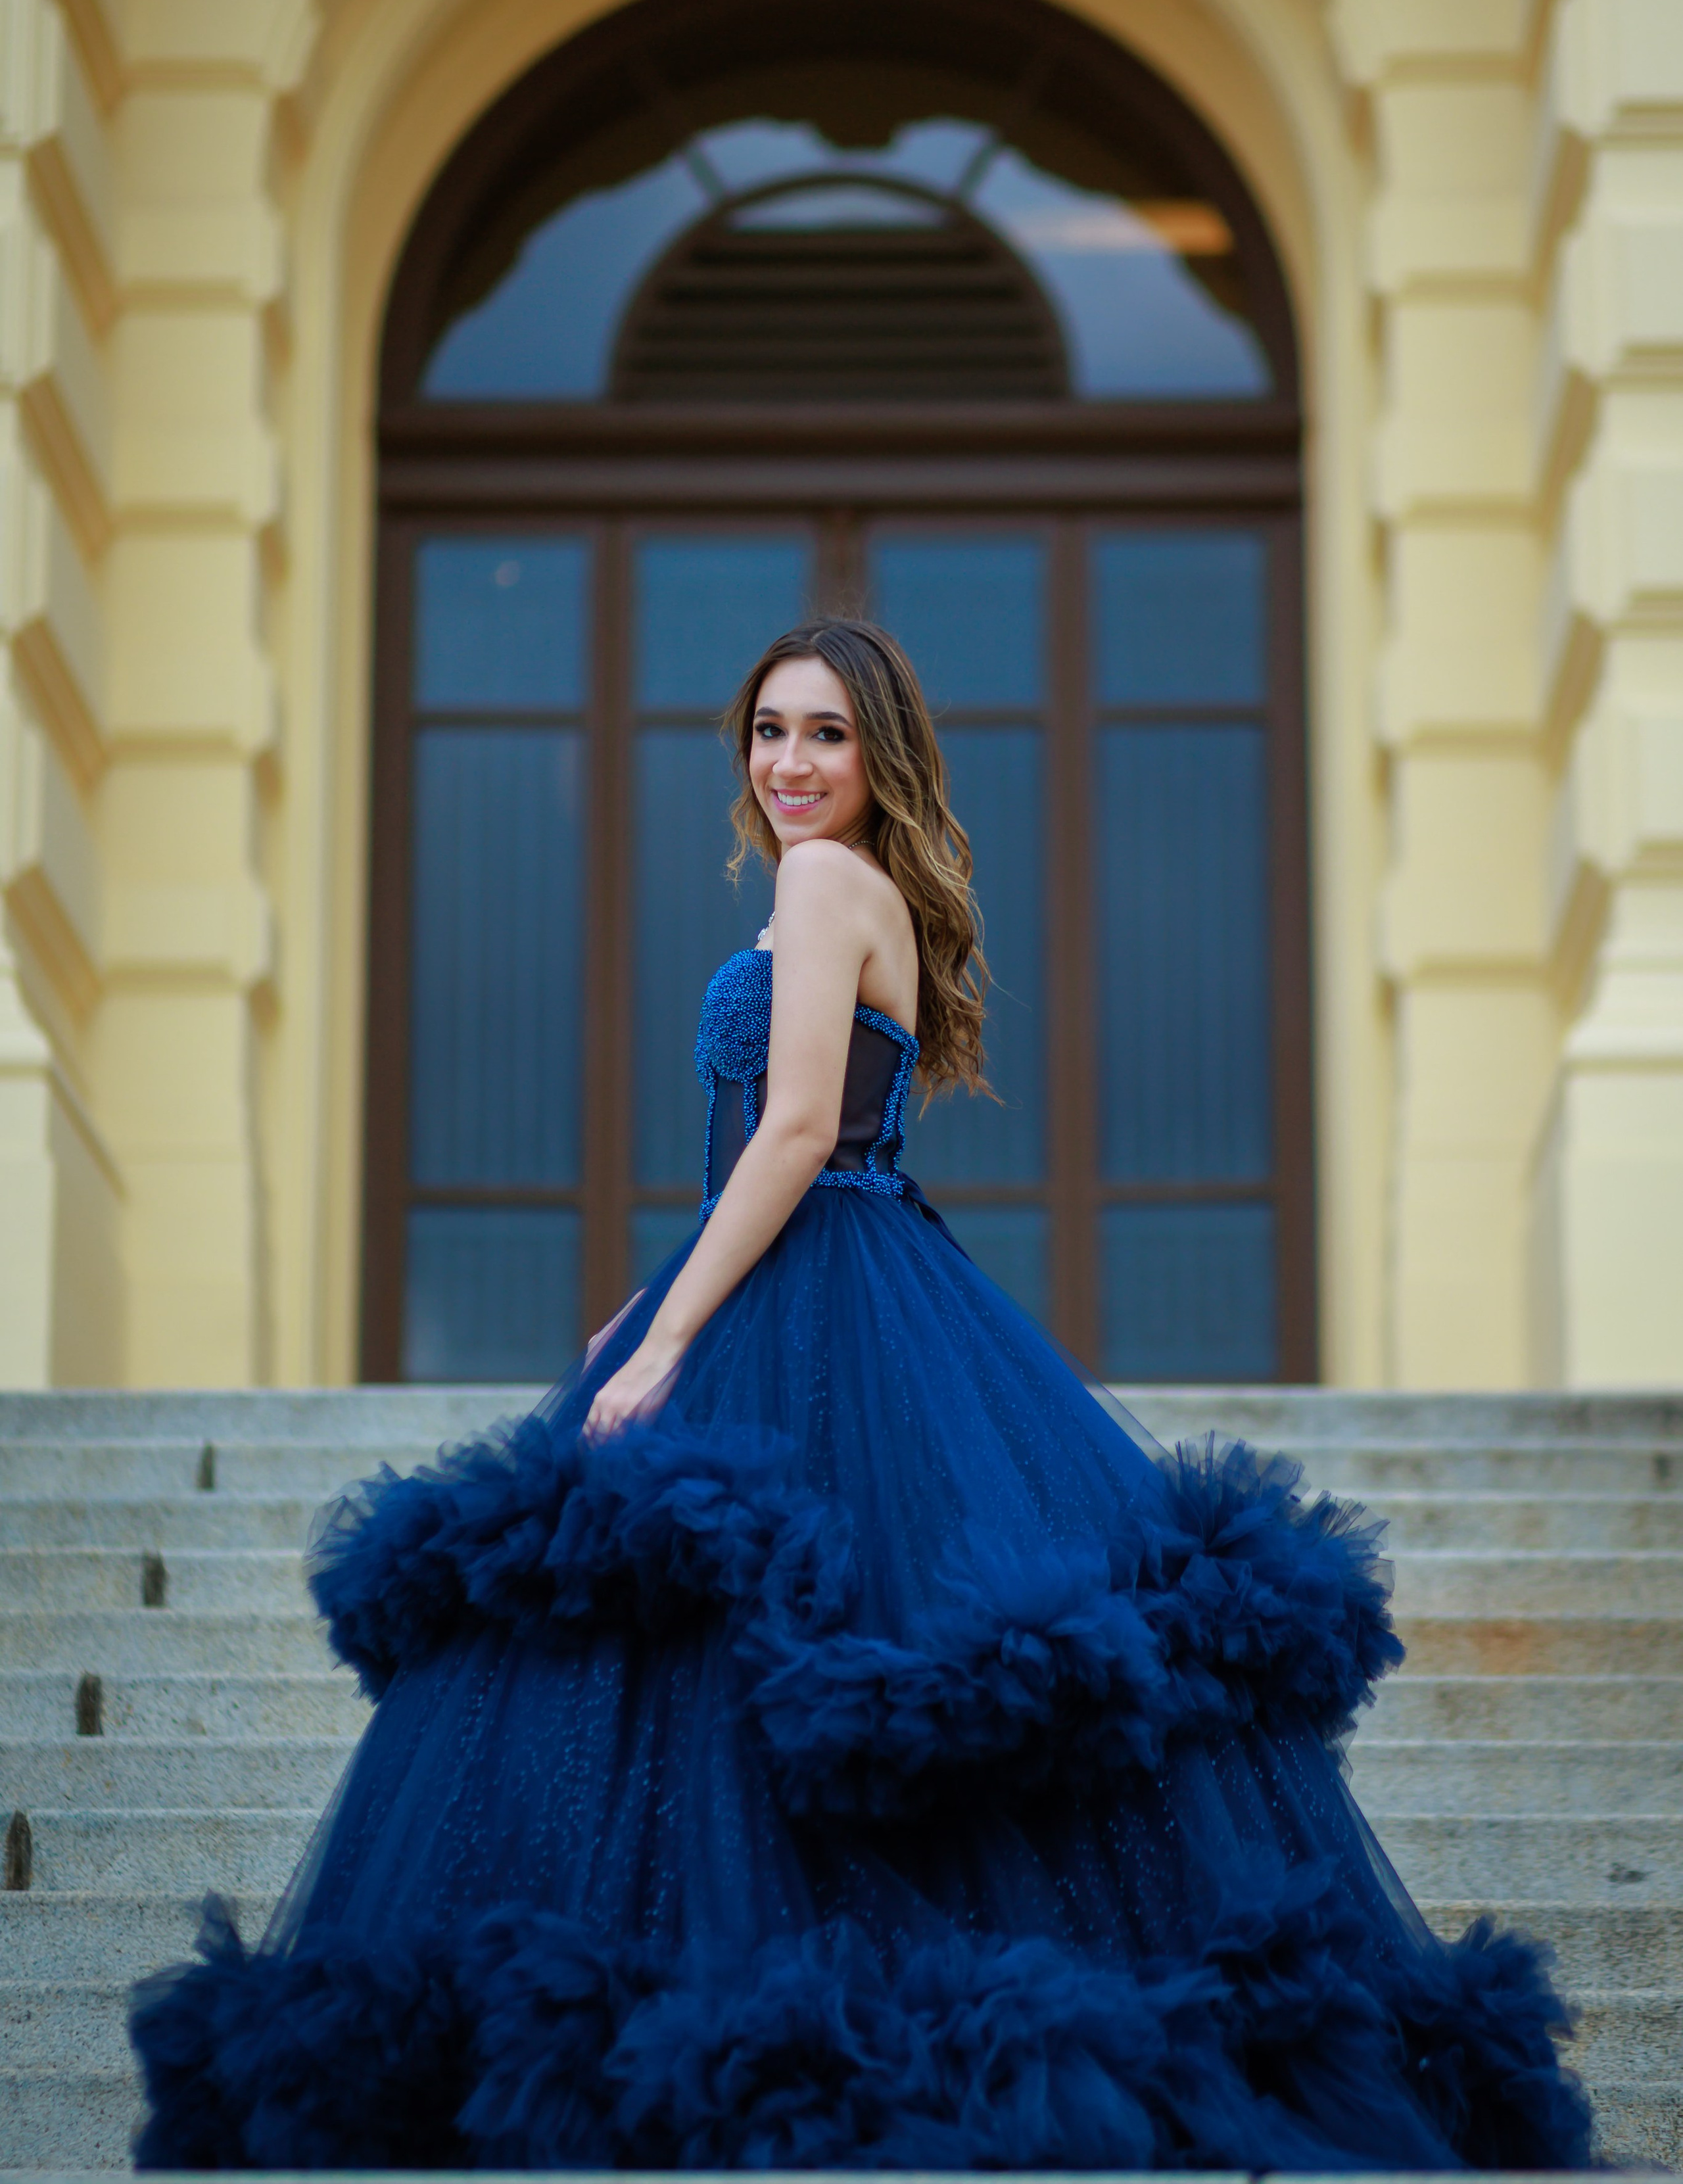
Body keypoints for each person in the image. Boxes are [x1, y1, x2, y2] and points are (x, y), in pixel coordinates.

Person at [130, 619, 1594, 2172]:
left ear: (877, 756)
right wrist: (664, 1289)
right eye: (766, 733)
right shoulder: (849, 890)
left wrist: (668, 1340)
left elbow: (798, 1131)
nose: (787, 764)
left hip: (823, 1281)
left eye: (823, 734)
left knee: (756, 1647)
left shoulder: (826, 885)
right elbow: (785, 1152)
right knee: (773, 1659)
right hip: (825, 1266)